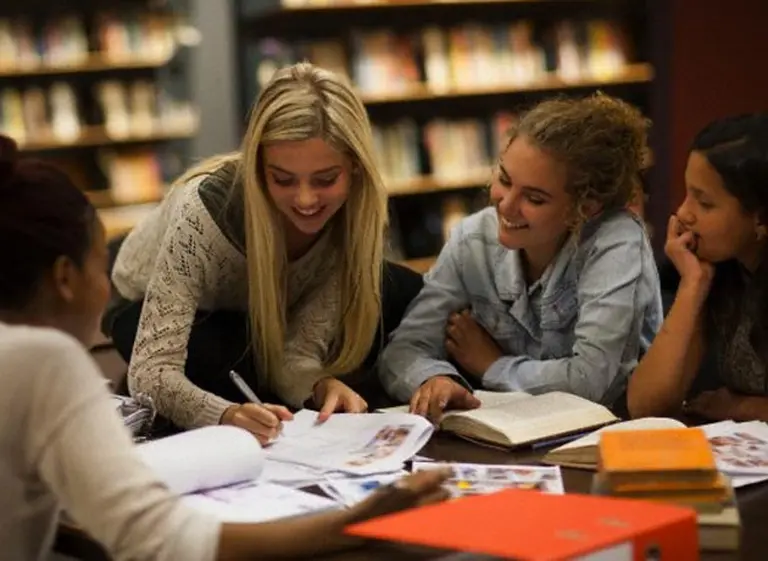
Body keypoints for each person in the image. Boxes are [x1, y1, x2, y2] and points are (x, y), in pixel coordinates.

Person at [0, 134, 450, 561]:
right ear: (64, 278)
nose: (306, 200)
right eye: (102, 265)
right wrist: (351, 522)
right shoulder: (43, 362)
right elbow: (165, 539)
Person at [104, 62, 422, 437]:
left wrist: (319, 385)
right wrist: (224, 415)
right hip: (149, 308)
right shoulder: (203, 210)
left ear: (355, 169)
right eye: (283, 180)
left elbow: (296, 355)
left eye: (325, 180)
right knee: (216, 358)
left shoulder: (353, 217)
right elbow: (153, 371)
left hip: (263, 316)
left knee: (398, 288)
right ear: (257, 168)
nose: (306, 200)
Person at [379, 93, 663, 420]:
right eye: (504, 179)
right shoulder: (473, 239)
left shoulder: (616, 242)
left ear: (585, 208)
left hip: (609, 435)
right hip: (509, 435)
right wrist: (434, 379)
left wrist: (492, 365)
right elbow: (403, 350)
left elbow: (592, 382)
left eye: (535, 198)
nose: (505, 205)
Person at [627, 113, 768, 421]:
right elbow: (645, 406)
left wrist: (742, 407)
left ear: (760, 218)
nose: (683, 213)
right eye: (687, 193)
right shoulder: (720, 267)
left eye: (705, 203)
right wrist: (694, 284)